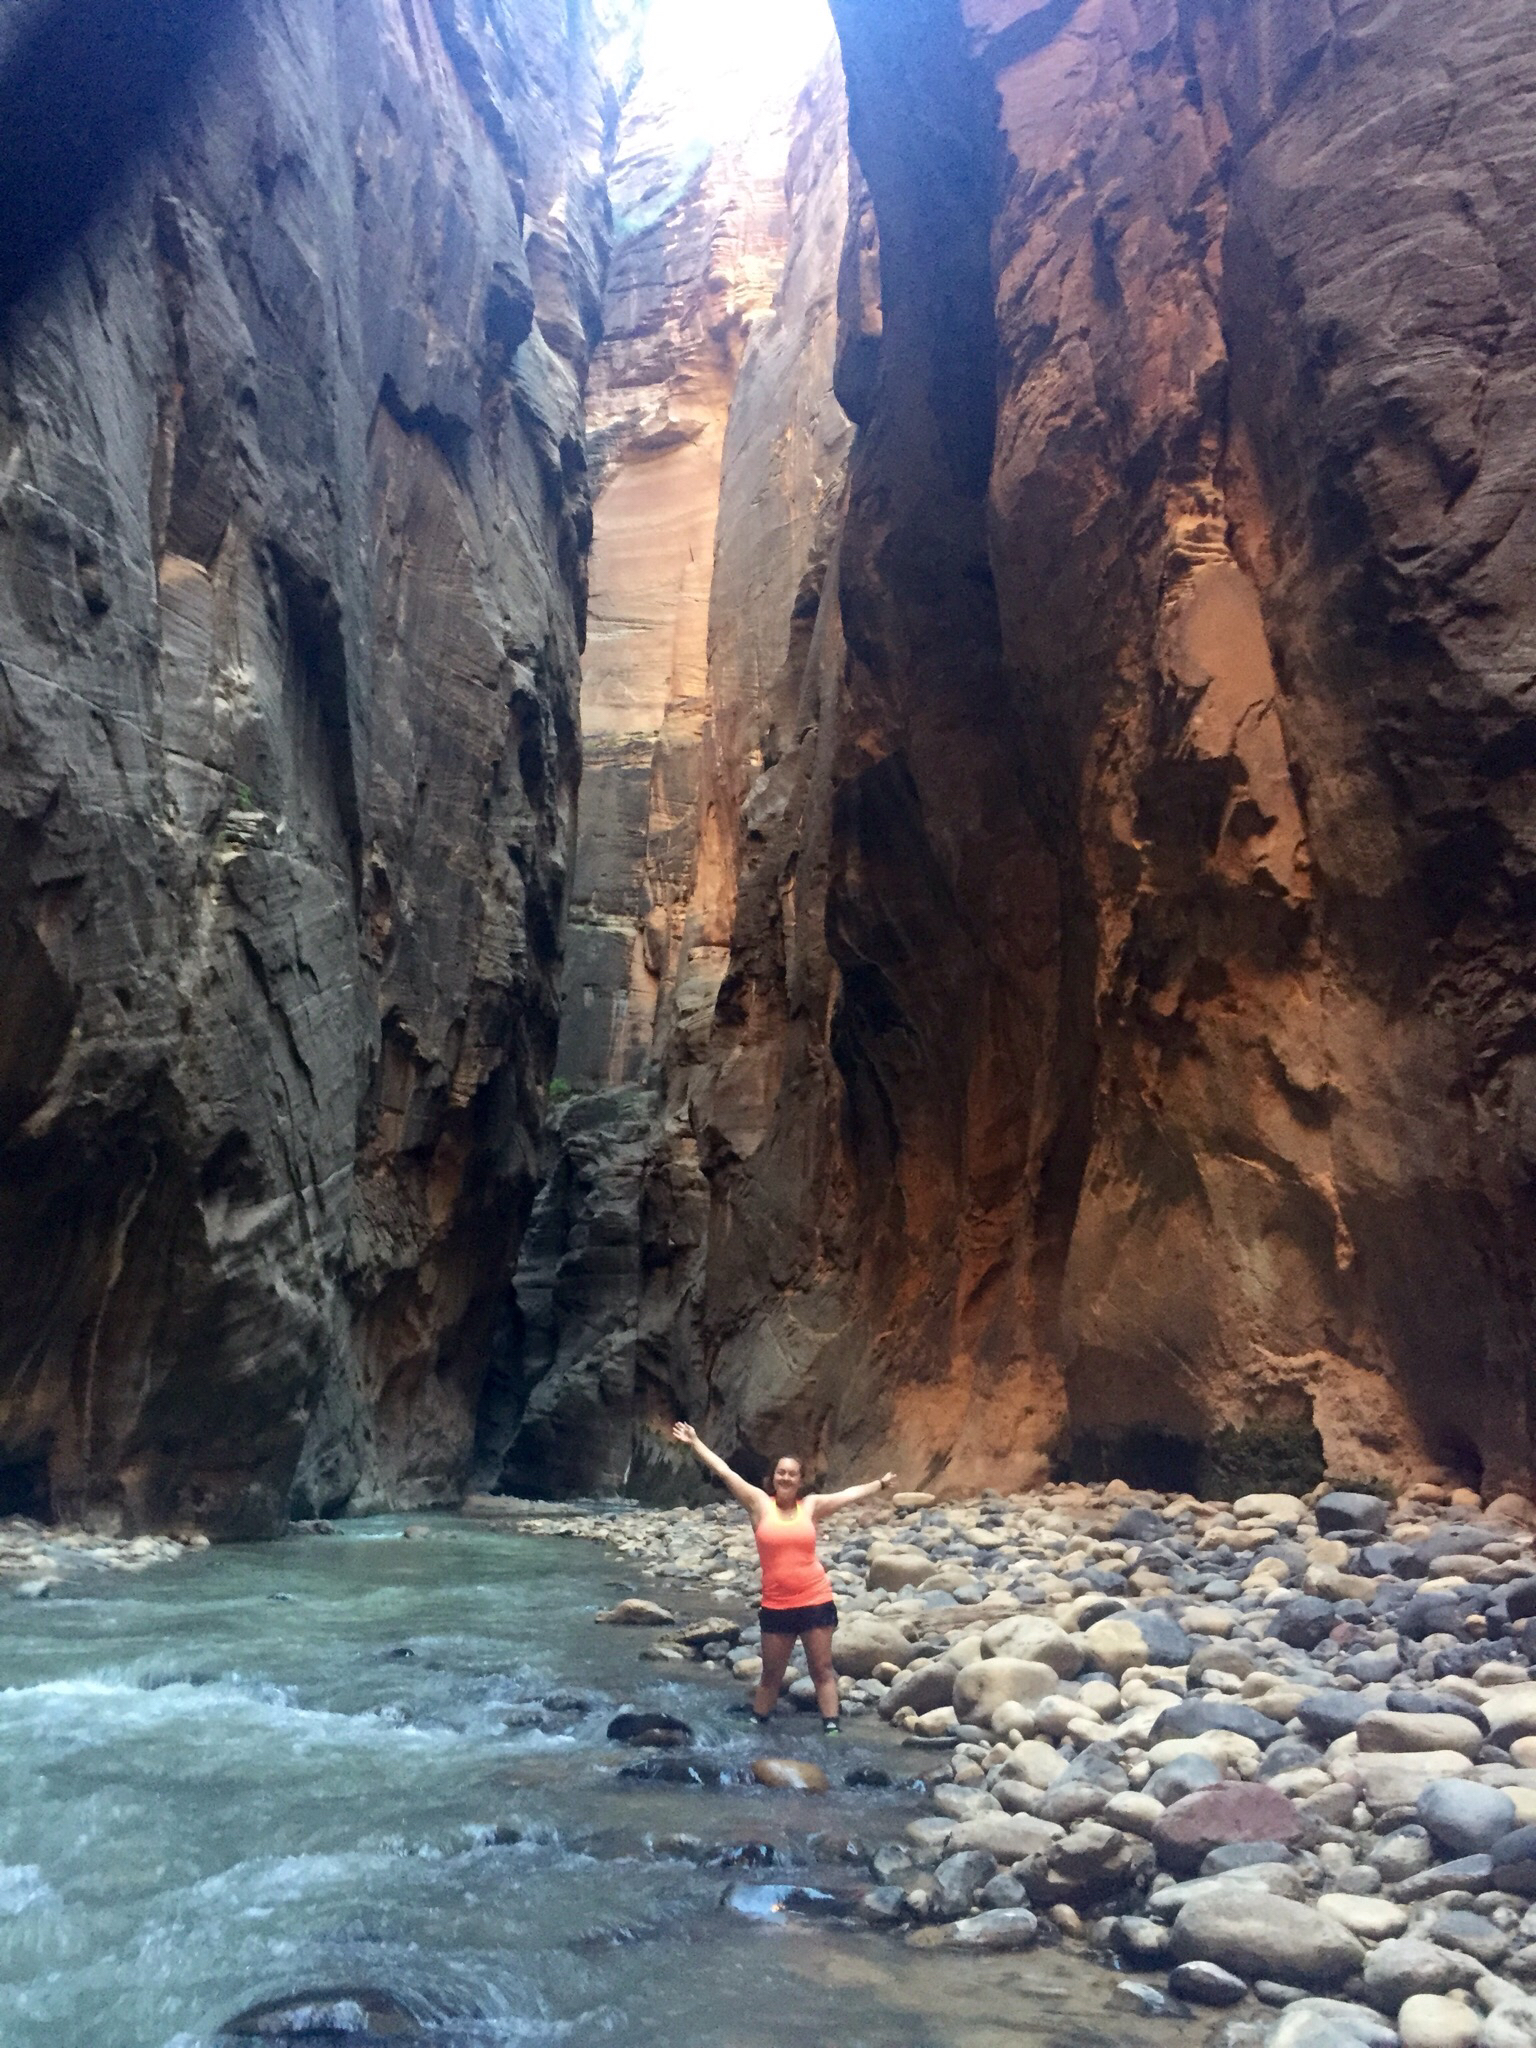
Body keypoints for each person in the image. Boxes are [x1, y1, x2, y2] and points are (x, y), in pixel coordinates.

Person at [671, 1421, 896, 1735]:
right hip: (777, 1604)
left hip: (815, 1599)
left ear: (800, 1480)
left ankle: (831, 1727)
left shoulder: (811, 1506)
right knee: (771, 1674)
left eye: (792, 1473)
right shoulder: (759, 1504)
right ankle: (758, 1722)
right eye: (781, 1472)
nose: (786, 1477)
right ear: (773, 1477)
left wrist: (880, 1484)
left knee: (822, 1669)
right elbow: (725, 1471)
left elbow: (847, 1495)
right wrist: (695, 1442)